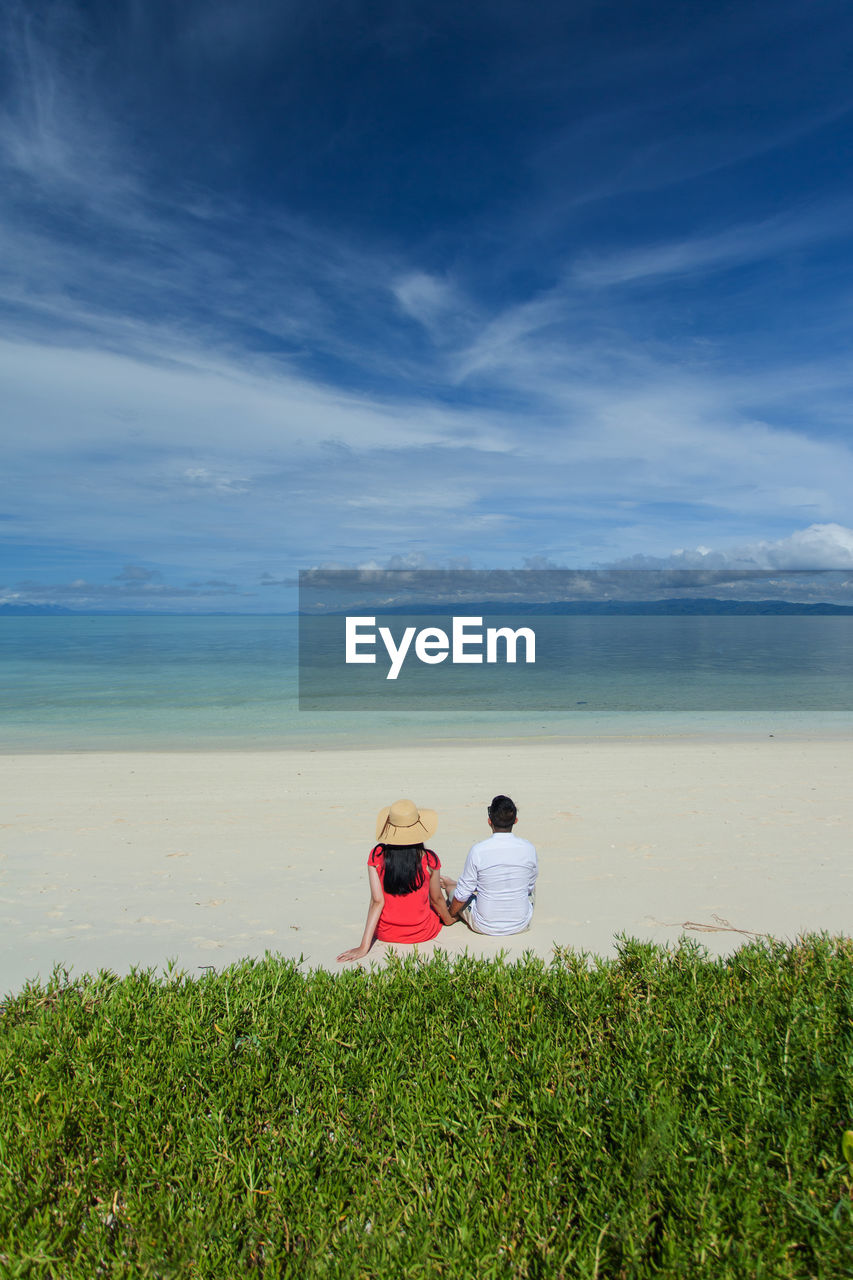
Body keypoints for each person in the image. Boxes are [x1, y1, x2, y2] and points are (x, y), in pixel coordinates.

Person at [337, 798, 456, 962]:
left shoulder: (376, 856)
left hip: (386, 933)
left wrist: (364, 946)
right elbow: (436, 899)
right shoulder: (429, 859)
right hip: (422, 932)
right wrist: (449, 920)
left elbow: (377, 901)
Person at [444, 794, 537, 935]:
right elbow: (530, 885)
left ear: (489, 821)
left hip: (484, 925)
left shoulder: (479, 851)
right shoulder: (529, 848)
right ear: (515, 820)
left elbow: (462, 895)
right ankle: (451, 883)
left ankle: (450, 884)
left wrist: (451, 913)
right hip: (521, 923)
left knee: (453, 890)